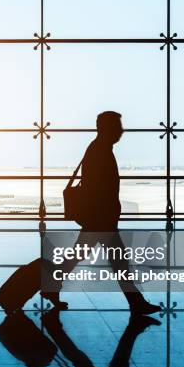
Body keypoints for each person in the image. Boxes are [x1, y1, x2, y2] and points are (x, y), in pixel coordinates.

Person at [45, 111, 161, 316]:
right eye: (118, 126)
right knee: (117, 261)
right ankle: (136, 302)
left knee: (83, 256)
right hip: (101, 219)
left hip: (98, 218)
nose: (121, 130)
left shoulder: (98, 148)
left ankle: (51, 285)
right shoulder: (100, 151)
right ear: (107, 128)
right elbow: (99, 189)